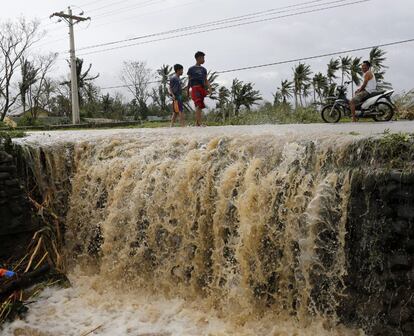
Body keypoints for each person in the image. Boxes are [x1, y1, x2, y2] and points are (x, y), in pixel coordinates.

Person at [187, 51, 212, 126]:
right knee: (198, 105)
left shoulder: (204, 69)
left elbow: (206, 80)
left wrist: (209, 88)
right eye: (203, 58)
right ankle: (199, 124)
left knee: (200, 106)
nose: (204, 59)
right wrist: (188, 91)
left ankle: (197, 123)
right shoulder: (191, 69)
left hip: (202, 88)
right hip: (195, 88)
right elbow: (189, 80)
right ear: (198, 58)